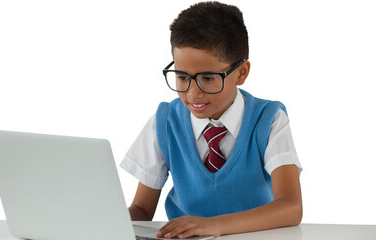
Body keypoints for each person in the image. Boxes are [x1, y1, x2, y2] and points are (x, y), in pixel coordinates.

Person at [120, 1, 303, 238]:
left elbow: (291, 207)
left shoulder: (268, 120)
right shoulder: (165, 122)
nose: (193, 93)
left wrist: (214, 225)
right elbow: (142, 209)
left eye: (207, 78)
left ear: (241, 73)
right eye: (182, 77)